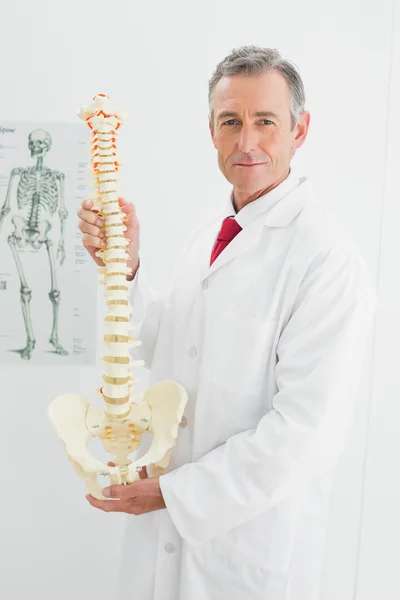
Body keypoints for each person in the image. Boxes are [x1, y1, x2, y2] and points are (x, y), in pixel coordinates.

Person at [77, 46, 378, 600]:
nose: (247, 142)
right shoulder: (208, 234)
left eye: (266, 121)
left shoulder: (326, 257)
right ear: (211, 131)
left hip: (246, 552)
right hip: (165, 534)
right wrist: (126, 266)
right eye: (231, 122)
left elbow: (307, 433)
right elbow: (168, 344)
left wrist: (175, 493)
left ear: (300, 129)